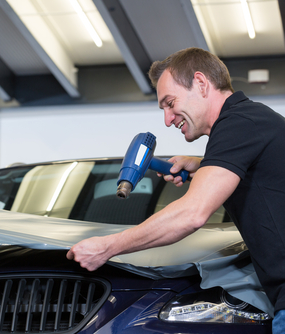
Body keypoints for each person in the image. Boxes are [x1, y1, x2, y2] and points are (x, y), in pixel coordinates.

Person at [66, 47, 285, 332]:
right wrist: (202, 164)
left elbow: (191, 214)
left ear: (201, 83)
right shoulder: (250, 122)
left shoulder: (239, 124)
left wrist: (107, 247)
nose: (168, 120)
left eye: (170, 103)